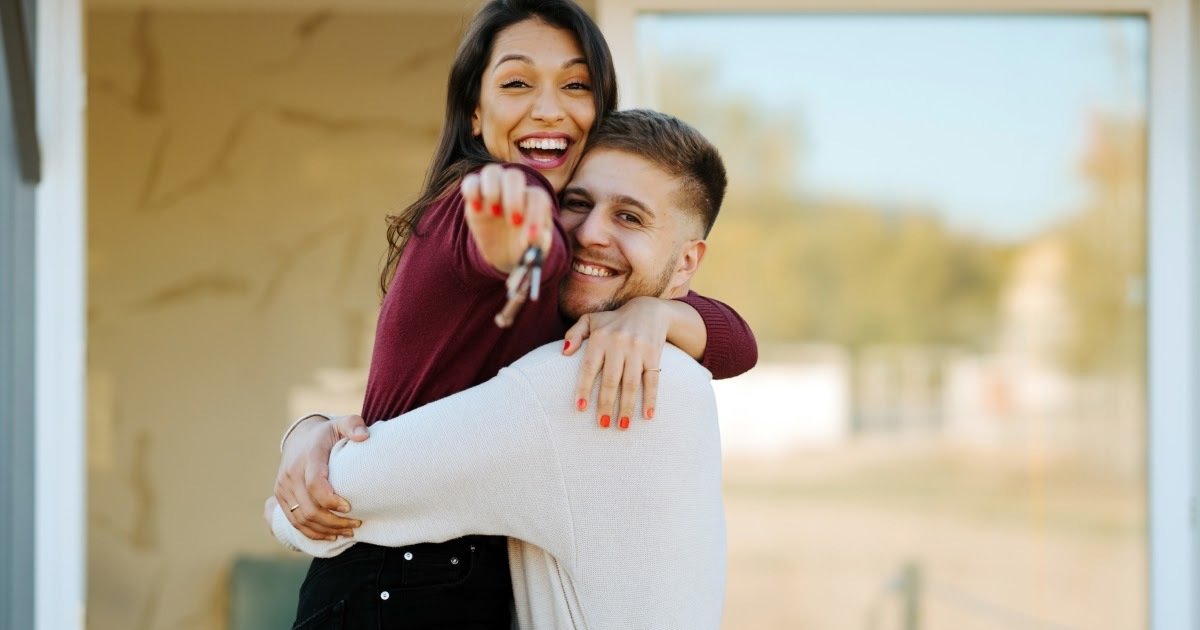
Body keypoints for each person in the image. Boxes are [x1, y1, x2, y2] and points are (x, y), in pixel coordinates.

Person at [270, 1, 757, 628]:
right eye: (517, 82)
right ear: (476, 112)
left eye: (575, 85)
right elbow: (525, 236)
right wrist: (522, 248)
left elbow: (739, 343)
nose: (549, 108)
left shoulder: (603, 321)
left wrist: (654, 315)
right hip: (393, 580)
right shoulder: (493, 196)